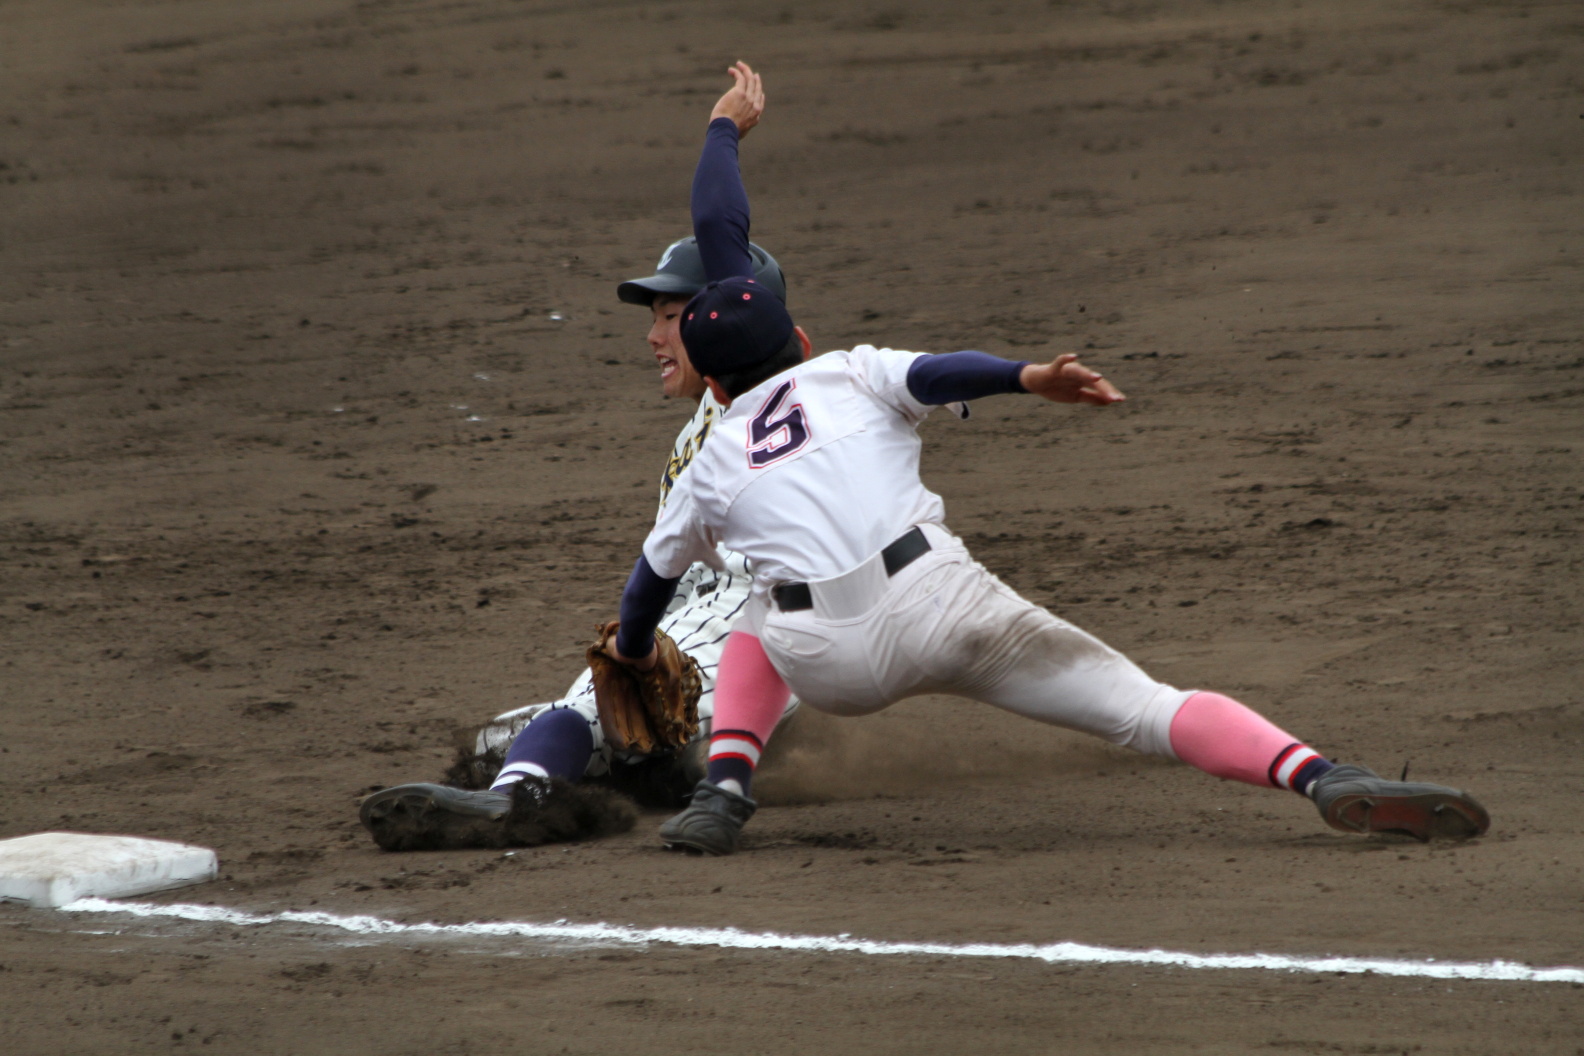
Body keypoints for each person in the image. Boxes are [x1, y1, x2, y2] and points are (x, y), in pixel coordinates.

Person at [600, 64, 1491, 856]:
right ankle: (1320, 776)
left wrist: (638, 656)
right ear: (792, 333)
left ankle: (724, 788)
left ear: (711, 367)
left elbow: (647, 586)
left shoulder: (711, 459)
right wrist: (1029, 376)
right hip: (944, 611)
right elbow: (943, 367)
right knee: (1144, 708)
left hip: (826, 661)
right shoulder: (847, 372)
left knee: (762, 597)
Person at [359, 65, 798, 851]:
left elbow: (721, 228)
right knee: (514, 736)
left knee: (589, 722)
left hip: (770, 614)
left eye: (671, 316)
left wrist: (722, 130)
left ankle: (565, 793)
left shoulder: (771, 387)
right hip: (702, 613)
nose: (654, 336)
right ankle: (572, 779)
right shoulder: (704, 413)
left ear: (723, 319)